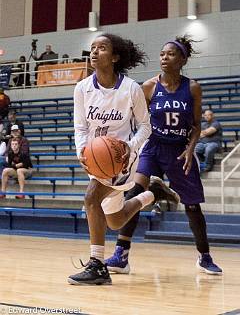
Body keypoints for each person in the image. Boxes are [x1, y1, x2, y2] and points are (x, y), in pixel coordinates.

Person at [105, 35, 222, 276]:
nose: (164, 58)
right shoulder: (148, 87)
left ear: (182, 59)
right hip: (152, 147)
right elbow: (132, 117)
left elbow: (197, 125)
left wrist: (191, 149)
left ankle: (204, 256)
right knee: (135, 193)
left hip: (179, 150)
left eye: (170, 54)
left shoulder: (192, 88)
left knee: (192, 207)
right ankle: (121, 255)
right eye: (161, 54)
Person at [68, 33, 158, 286]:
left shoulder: (131, 89)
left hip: (123, 159)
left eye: (102, 48)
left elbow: (145, 127)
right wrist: (81, 151)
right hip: (97, 156)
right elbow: (80, 127)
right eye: (92, 48)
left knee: (91, 197)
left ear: (115, 57)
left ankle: (97, 266)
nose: (94, 52)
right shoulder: (82, 88)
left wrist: (129, 148)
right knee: (115, 220)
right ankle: (150, 195)